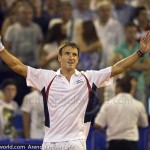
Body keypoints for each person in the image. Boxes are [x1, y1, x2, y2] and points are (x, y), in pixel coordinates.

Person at [0, 31, 150, 149]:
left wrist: (140, 53)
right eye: (67, 54)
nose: (71, 57)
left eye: (74, 55)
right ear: (59, 58)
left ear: (78, 59)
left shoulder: (88, 78)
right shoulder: (46, 77)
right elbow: (18, 67)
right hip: (51, 143)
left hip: (75, 143)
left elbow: (118, 68)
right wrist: (1, 49)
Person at [94, 76, 148, 150]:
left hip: (114, 143)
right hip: (131, 142)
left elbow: (98, 124)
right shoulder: (138, 105)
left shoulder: (108, 104)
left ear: (118, 88)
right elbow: (144, 124)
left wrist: (107, 130)